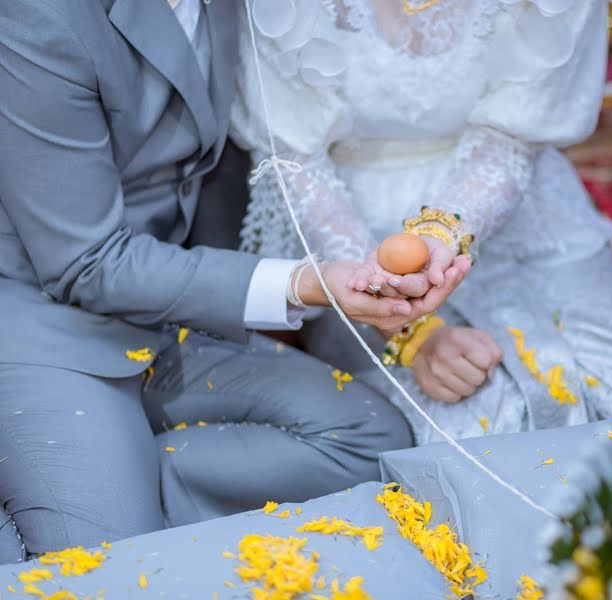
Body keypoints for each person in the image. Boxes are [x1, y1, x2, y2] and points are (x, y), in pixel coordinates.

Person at [0, 0, 468, 563]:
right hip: (40, 326)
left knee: (369, 439)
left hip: (156, 314)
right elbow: (88, 263)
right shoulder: (37, 17)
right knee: (102, 575)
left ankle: (119, 491)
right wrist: (305, 282)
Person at [231, 0, 612, 444]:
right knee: (472, 434)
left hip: (514, 199)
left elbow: (512, 135)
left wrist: (444, 233)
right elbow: (294, 160)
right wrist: (406, 329)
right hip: (349, 221)